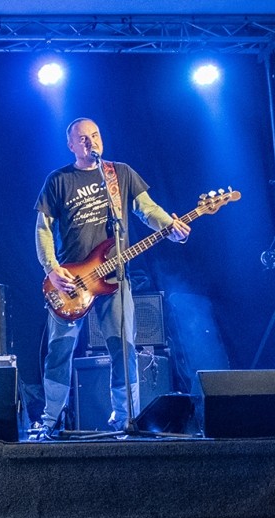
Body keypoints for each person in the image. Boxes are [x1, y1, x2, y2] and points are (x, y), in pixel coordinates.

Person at [34, 118, 190, 436]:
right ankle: (51, 419)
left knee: (124, 349)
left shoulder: (119, 173)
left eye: (95, 135)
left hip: (115, 277)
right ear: (71, 145)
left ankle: (124, 418)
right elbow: (42, 229)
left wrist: (169, 226)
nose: (90, 141)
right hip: (70, 282)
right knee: (59, 351)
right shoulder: (58, 180)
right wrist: (51, 268)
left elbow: (147, 208)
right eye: (82, 138)